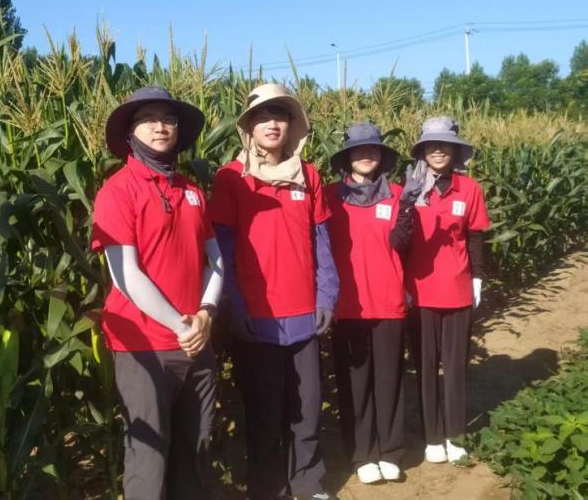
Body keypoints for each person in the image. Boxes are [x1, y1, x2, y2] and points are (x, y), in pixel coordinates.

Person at [91, 86, 224, 500]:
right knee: (148, 459)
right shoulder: (117, 191)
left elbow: (215, 259)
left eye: (168, 119)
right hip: (144, 346)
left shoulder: (192, 191)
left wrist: (206, 313)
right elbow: (125, 276)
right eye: (148, 119)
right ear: (130, 133)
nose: (160, 126)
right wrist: (181, 327)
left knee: (196, 450)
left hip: (196, 343)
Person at [208, 83, 339, 500]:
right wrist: (236, 305)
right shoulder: (231, 178)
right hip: (257, 318)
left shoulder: (309, 175)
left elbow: (321, 241)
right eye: (262, 116)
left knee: (307, 409)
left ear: (291, 125)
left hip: (303, 314)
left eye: (279, 115)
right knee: (265, 414)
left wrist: (327, 294)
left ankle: (308, 482)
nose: (271, 124)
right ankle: (268, 489)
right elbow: (222, 249)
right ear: (248, 127)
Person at [325, 122, 423, 484]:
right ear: (347, 157)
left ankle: (390, 451)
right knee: (354, 384)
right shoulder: (329, 197)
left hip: (387, 301)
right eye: (359, 150)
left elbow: (401, 243)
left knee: (389, 380)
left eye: (373, 150)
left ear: (381, 156)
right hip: (347, 305)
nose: (367, 155)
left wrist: (409, 206)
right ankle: (362, 454)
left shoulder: (397, 195)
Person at [405, 116, 490, 465]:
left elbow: (475, 236)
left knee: (454, 366)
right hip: (419, 290)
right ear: (422, 151)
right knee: (425, 366)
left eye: (445, 145)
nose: (438, 150)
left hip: (456, 288)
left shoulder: (469, 189)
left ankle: (455, 433)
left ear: (454, 151)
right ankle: (432, 435)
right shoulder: (409, 189)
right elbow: (398, 238)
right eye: (431, 145)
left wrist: (477, 277)